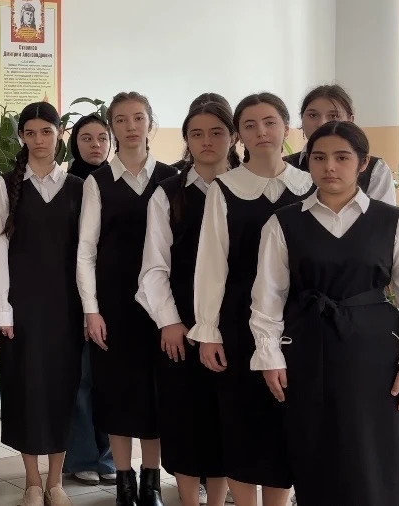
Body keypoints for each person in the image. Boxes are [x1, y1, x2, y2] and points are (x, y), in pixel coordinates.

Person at [251, 121, 399, 506]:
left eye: (342, 157)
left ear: (363, 163)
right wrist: (269, 355)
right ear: (308, 163)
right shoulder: (284, 222)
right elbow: (268, 296)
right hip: (306, 347)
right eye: (319, 158)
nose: (330, 167)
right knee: (314, 448)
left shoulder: (394, 222)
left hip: (375, 354)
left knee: (373, 451)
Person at [189, 93, 313, 506]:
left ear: (286, 127)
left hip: (299, 320)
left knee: (286, 422)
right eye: (250, 125)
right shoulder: (224, 189)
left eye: (270, 122)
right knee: (242, 422)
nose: (262, 132)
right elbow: (211, 264)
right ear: (239, 135)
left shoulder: (309, 185)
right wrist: (208, 330)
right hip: (239, 321)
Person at [137, 97, 238, 506]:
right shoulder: (168, 194)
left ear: (233, 136)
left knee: (225, 421)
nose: (207, 141)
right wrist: (169, 321)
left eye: (216, 132)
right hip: (180, 325)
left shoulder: (246, 188)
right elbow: (153, 267)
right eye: (197, 134)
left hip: (236, 325)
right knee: (184, 420)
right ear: (186, 140)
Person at [78, 91, 177, 506]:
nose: (131, 126)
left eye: (138, 118)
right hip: (114, 306)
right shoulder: (97, 182)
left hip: (160, 307)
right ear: (112, 127)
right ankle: (124, 482)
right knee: (117, 394)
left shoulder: (172, 178)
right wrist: (91, 310)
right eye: (121, 119)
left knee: (155, 395)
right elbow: (86, 251)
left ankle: (152, 482)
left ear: (151, 123)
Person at [0, 102, 83, 506]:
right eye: (31, 132)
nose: (39, 140)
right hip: (22, 307)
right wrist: (3, 309)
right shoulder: (4, 186)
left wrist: (89, 309)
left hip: (67, 306)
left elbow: (86, 254)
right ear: (21, 137)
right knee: (25, 390)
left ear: (59, 134)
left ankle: (55, 482)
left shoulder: (78, 187)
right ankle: (30, 481)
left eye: (47, 131)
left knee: (62, 390)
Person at [62, 114, 116, 487]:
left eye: (101, 137)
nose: (95, 145)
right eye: (86, 138)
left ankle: (108, 457)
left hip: (114, 296)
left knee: (110, 380)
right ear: (74, 143)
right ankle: (81, 456)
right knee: (81, 379)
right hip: (75, 296)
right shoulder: (68, 185)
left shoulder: (116, 182)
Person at [284, 84, 396, 205]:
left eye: (333, 116)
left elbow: (382, 215)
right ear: (302, 119)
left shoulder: (375, 169)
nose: (322, 123)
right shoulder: (285, 167)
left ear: (350, 120)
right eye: (313, 115)